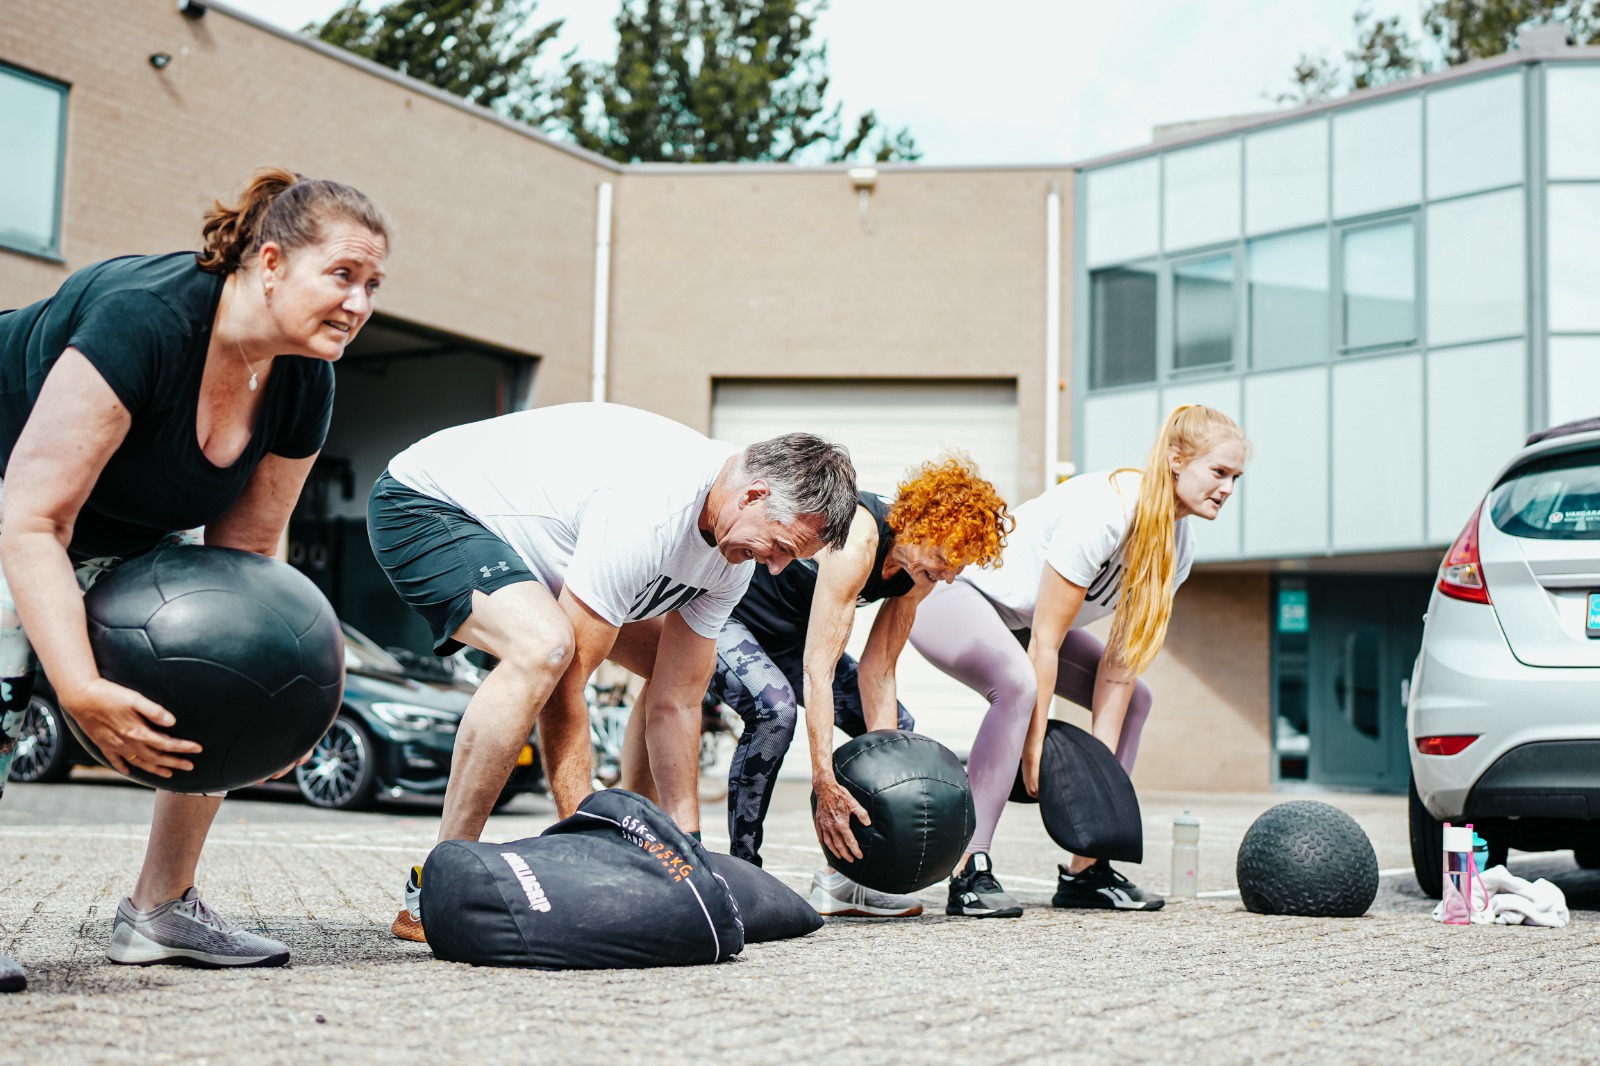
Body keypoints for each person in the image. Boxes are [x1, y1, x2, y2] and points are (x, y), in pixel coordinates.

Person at [0, 168, 390, 990]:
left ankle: (160, 910)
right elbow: (33, 520)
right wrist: (73, 684)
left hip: (108, 514)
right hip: (18, 485)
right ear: (273, 262)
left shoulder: (303, 377)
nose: (359, 305)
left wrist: (284, 692)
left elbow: (242, 565)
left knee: (222, 653)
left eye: (373, 286)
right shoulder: (147, 318)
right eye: (344, 276)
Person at [368, 403, 858, 942]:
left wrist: (685, 846)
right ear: (755, 495)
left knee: (664, 670)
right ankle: (435, 885)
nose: (775, 568)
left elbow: (678, 700)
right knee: (547, 650)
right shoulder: (651, 508)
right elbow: (571, 682)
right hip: (427, 504)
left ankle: (641, 840)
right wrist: (586, 835)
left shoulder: (731, 554)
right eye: (782, 548)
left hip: (540, 551)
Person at [909, 405, 1248, 917]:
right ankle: (969, 867)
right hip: (956, 597)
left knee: (1138, 699)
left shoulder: (1178, 544)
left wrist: (1096, 784)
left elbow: (1120, 665)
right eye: (1218, 472)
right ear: (1177, 459)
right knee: (1020, 685)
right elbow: (1045, 641)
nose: (1227, 488)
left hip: (1023, 626)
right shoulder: (1108, 510)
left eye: (1235, 477)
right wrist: (1034, 748)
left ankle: (1086, 869)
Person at [695, 455, 1011, 918]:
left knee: (898, 732)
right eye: (944, 560)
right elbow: (817, 672)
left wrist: (886, 773)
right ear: (921, 523)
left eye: (957, 568)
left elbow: (878, 670)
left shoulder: (917, 573)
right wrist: (825, 781)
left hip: (791, 638)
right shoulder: (859, 538)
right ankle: (743, 875)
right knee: (775, 710)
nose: (948, 576)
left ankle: (848, 880)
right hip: (732, 620)